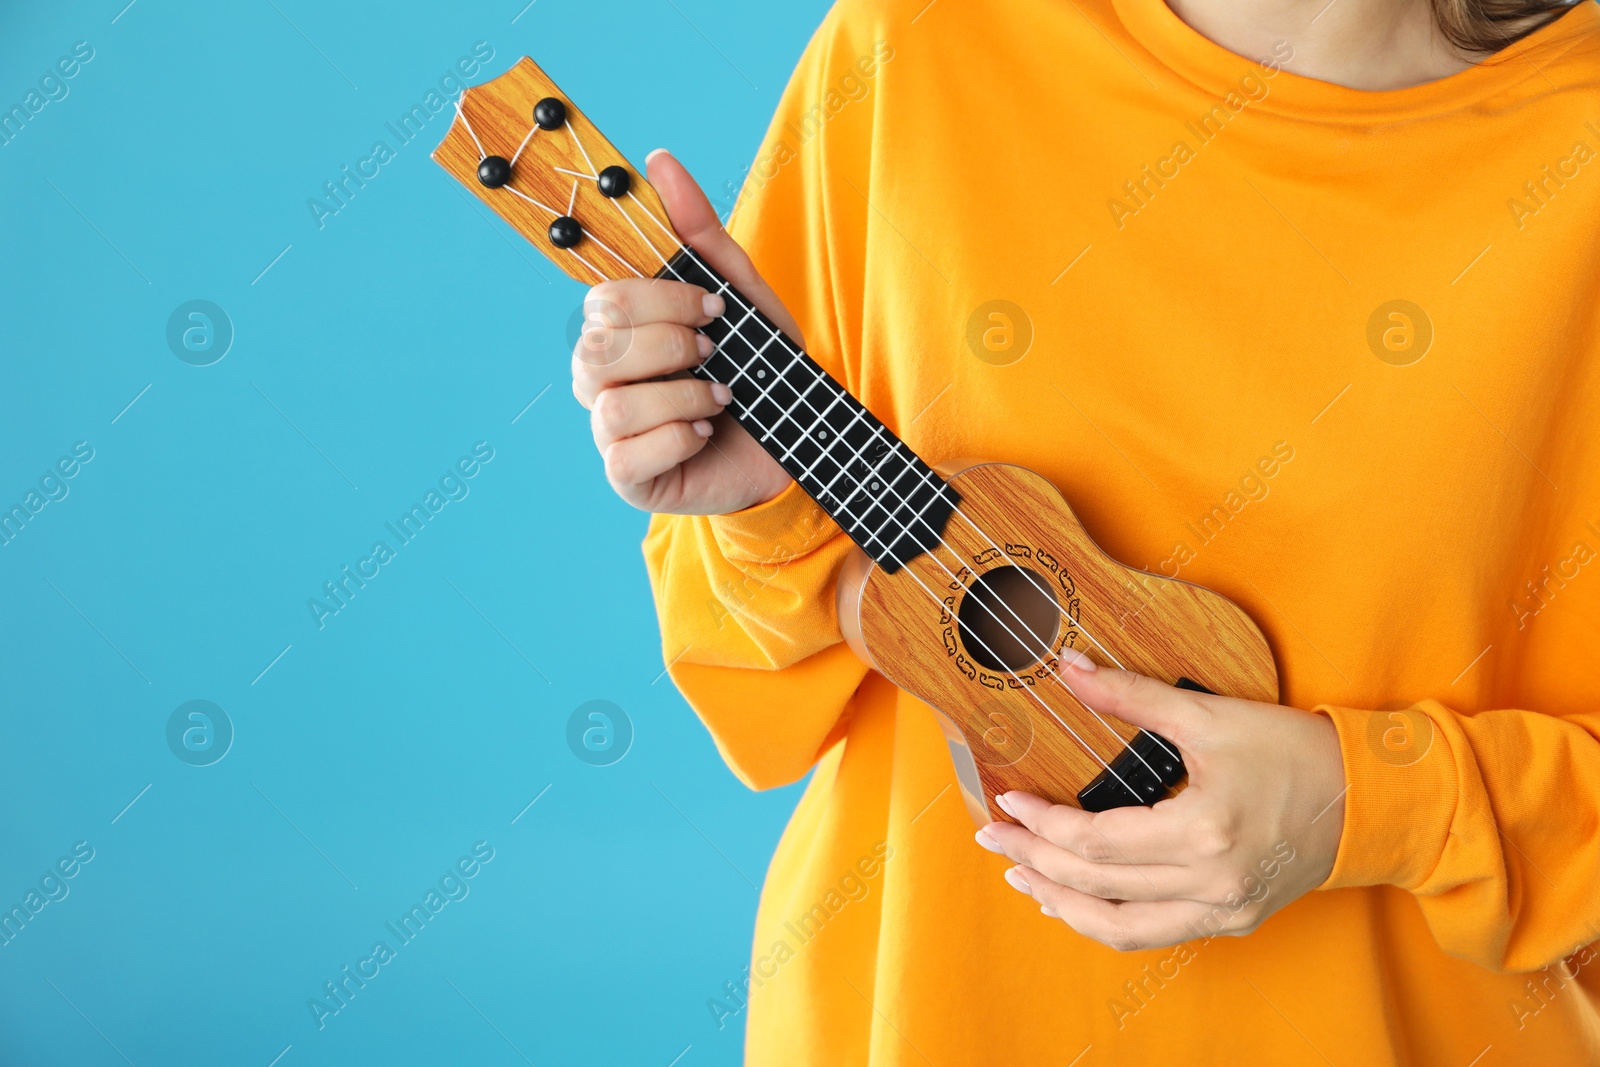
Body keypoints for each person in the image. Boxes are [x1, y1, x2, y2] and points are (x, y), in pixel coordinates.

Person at [570, 0, 1600, 1061]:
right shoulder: (918, 43)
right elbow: (745, 663)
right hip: (934, 1012)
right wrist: (763, 511)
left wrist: (1372, 805)